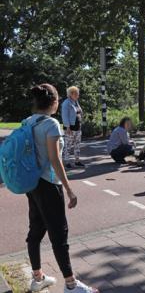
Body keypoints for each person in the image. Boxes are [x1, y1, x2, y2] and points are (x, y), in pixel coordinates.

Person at [26, 84, 98, 293]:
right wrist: (69, 189)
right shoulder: (51, 124)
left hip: (32, 184)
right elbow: (55, 159)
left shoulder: (27, 122)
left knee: (36, 230)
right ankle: (71, 285)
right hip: (49, 184)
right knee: (59, 233)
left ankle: (38, 278)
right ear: (55, 102)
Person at [61, 86, 84, 169]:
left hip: (78, 128)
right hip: (70, 128)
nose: (78, 95)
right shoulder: (66, 103)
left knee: (77, 145)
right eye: (76, 93)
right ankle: (67, 162)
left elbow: (79, 113)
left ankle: (77, 161)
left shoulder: (76, 102)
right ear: (71, 94)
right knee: (68, 145)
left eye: (78, 93)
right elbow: (64, 116)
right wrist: (67, 127)